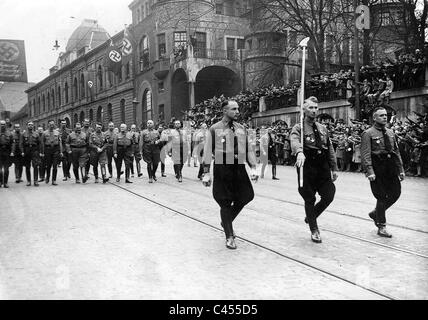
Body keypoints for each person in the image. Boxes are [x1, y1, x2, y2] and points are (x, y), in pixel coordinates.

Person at [202, 100, 259, 250]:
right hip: (222, 167)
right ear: (225, 111)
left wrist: (253, 167)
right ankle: (229, 235)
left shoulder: (241, 128)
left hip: (239, 167)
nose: (237, 111)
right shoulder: (215, 128)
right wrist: (206, 172)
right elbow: (208, 150)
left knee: (247, 195)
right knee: (225, 201)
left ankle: (227, 220)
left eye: (238, 109)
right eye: (234, 109)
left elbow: (248, 148)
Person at [290, 96, 338, 243]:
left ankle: (312, 215)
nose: (314, 110)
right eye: (311, 108)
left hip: (322, 164)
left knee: (329, 195)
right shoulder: (299, 127)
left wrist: (334, 167)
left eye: (316, 108)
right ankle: (314, 229)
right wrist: (299, 152)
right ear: (304, 110)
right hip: (306, 164)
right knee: (309, 197)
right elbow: (294, 140)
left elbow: (329, 148)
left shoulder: (322, 128)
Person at [361, 107, 405, 238]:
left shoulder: (391, 133)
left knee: (396, 193)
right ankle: (382, 226)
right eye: (381, 116)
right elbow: (365, 154)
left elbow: (396, 152)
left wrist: (400, 169)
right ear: (374, 118)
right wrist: (369, 171)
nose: (384, 117)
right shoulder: (368, 133)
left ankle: (376, 214)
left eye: (385, 115)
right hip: (377, 167)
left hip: (390, 167)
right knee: (381, 196)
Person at [41, 120, 63, 185]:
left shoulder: (57, 133)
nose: (52, 125)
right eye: (50, 124)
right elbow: (42, 143)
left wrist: (61, 151)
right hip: (48, 149)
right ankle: (47, 177)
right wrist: (42, 152)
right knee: (48, 165)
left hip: (55, 150)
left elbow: (60, 142)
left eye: (53, 124)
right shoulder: (44, 133)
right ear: (48, 125)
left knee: (55, 165)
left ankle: (54, 180)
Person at [20, 121, 42, 186]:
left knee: (35, 166)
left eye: (32, 125)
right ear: (27, 126)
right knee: (27, 166)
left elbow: (39, 143)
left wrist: (39, 152)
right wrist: (22, 151)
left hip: (34, 150)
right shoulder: (23, 134)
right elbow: (21, 144)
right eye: (29, 125)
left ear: (33, 126)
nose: (30, 126)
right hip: (27, 150)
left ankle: (35, 181)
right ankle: (28, 181)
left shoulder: (36, 134)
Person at [0, 119, 14, 188]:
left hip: (7, 152)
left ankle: (5, 183)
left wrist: (12, 152)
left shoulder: (9, 133)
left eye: (3, 124)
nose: (2, 125)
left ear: (5, 125)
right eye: (1, 124)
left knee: (6, 169)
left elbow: (12, 144)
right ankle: (0, 182)